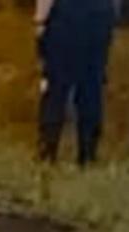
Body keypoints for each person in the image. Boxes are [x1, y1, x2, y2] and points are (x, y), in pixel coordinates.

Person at [37, 0, 120, 166]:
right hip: (100, 13)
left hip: (66, 13)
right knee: (92, 85)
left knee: (57, 83)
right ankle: (88, 153)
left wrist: (40, 20)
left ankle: (48, 150)